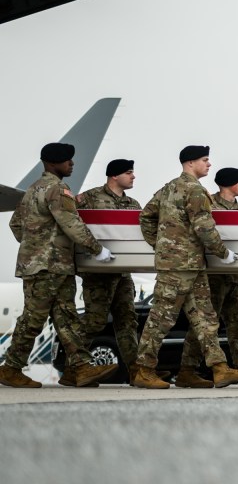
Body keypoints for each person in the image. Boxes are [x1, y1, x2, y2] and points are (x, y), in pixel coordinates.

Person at [132, 146, 238, 389]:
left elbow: (146, 216)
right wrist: (223, 253)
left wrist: (162, 245)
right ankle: (143, 370)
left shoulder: (169, 188)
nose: (209, 164)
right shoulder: (195, 190)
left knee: (205, 318)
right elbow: (204, 227)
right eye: (205, 160)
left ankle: (218, 369)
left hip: (189, 265)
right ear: (190, 163)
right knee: (161, 318)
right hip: (180, 266)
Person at [1, 143, 119, 389]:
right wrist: (97, 250)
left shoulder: (32, 190)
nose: (72, 164)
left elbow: (15, 225)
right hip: (49, 265)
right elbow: (71, 223)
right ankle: (11, 368)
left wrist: (33, 244)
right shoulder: (57, 189)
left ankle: (79, 368)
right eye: (68, 160)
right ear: (53, 164)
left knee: (67, 317)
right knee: (34, 318)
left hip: (49, 265)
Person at [176, 166, 238, 388]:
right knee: (203, 327)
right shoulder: (208, 205)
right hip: (211, 278)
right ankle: (187, 370)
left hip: (233, 278)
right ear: (229, 183)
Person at [73, 158, 142, 386]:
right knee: (94, 321)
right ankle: (74, 367)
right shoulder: (89, 198)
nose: (133, 177)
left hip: (122, 273)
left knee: (127, 321)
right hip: (98, 273)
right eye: (129, 173)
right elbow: (72, 225)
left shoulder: (133, 204)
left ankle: (136, 371)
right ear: (114, 176)